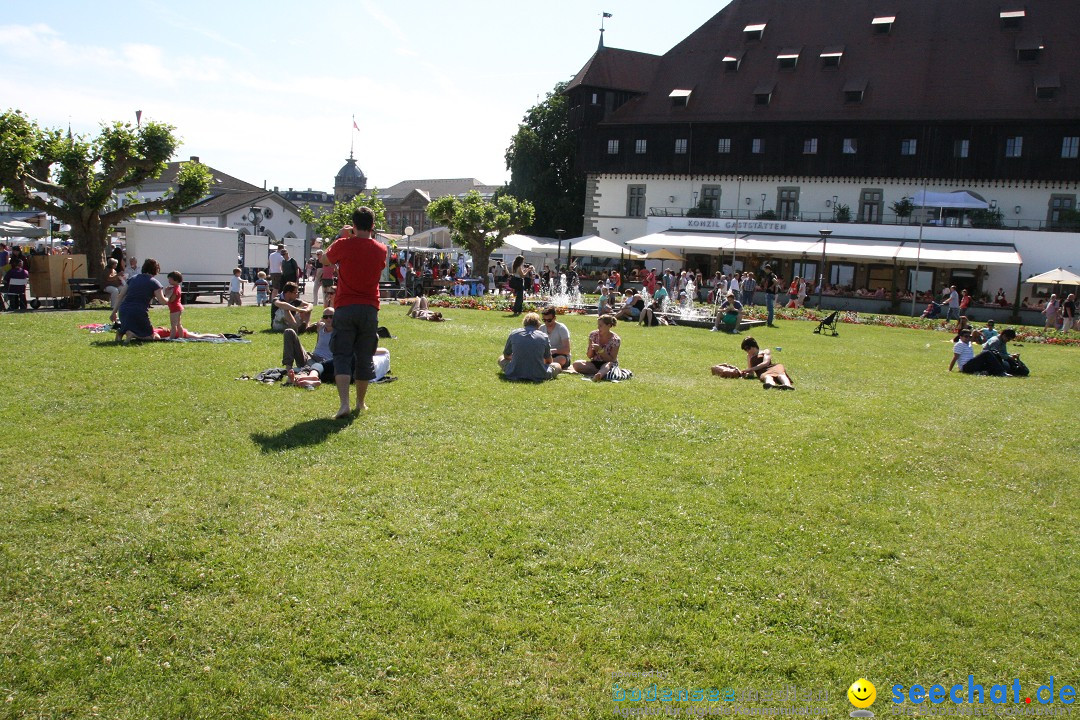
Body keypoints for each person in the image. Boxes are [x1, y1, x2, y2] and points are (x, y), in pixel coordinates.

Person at [325, 206, 387, 418]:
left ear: (353, 225)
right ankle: (361, 403)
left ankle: (344, 404)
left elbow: (325, 260)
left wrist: (342, 236)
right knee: (365, 355)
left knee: (341, 354)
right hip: (370, 307)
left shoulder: (343, 244)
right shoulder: (381, 249)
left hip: (345, 305)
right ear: (373, 225)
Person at [115, 258, 170, 341]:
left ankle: (121, 332)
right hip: (138, 312)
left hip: (123, 311)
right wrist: (169, 296)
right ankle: (133, 335)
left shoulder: (132, 279)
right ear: (156, 270)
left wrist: (114, 312)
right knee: (154, 337)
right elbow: (162, 301)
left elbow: (121, 295)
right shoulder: (154, 283)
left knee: (130, 326)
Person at [499, 312, 561, 381]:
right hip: (539, 374)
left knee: (501, 358)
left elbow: (506, 355)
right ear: (538, 324)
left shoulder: (514, 334)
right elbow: (549, 361)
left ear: (524, 322)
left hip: (515, 372)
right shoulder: (544, 336)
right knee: (557, 366)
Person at [283, 306, 335, 375]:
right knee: (289, 331)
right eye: (326, 317)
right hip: (310, 357)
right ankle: (288, 368)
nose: (328, 319)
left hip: (321, 362)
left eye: (331, 316)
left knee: (308, 368)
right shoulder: (321, 328)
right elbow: (317, 344)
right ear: (323, 318)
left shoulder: (340, 332)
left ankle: (301, 372)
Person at [572, 314, 622, 382]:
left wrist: (601, 351)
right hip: (595, 363)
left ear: (609, 326)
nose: (598, 327)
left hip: (608, 363)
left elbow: (612, 360)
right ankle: (602, 373)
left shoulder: (615, 339)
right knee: (576, 364)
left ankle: (600, 375)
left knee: (607, 365)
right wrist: (591, 348)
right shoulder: (593, 335)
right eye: (598, 325)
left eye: (601, 326)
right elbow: (589, 356)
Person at [99, 257, 125, 322]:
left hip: (114, 285)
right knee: (115, 290)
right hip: (106, 286)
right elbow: (109, 279)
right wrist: (117, 275)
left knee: (123, 289)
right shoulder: (106, 270)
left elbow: (115, 279)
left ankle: (122, 304)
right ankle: (113, 305)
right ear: (111, 264)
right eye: (115, 264)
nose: (116, 265)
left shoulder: (114, 271)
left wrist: (121, 278)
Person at [165, 271, 186, 339]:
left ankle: (172, 337)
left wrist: (167, 294)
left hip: (175, 308)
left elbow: (172, 299)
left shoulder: (175, 289)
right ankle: (181, 336)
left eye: (170, 279)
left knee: (173, 325)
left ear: (175, 280)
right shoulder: (176, 287)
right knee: (178, 324)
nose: (169, 280)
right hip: (177, 308)